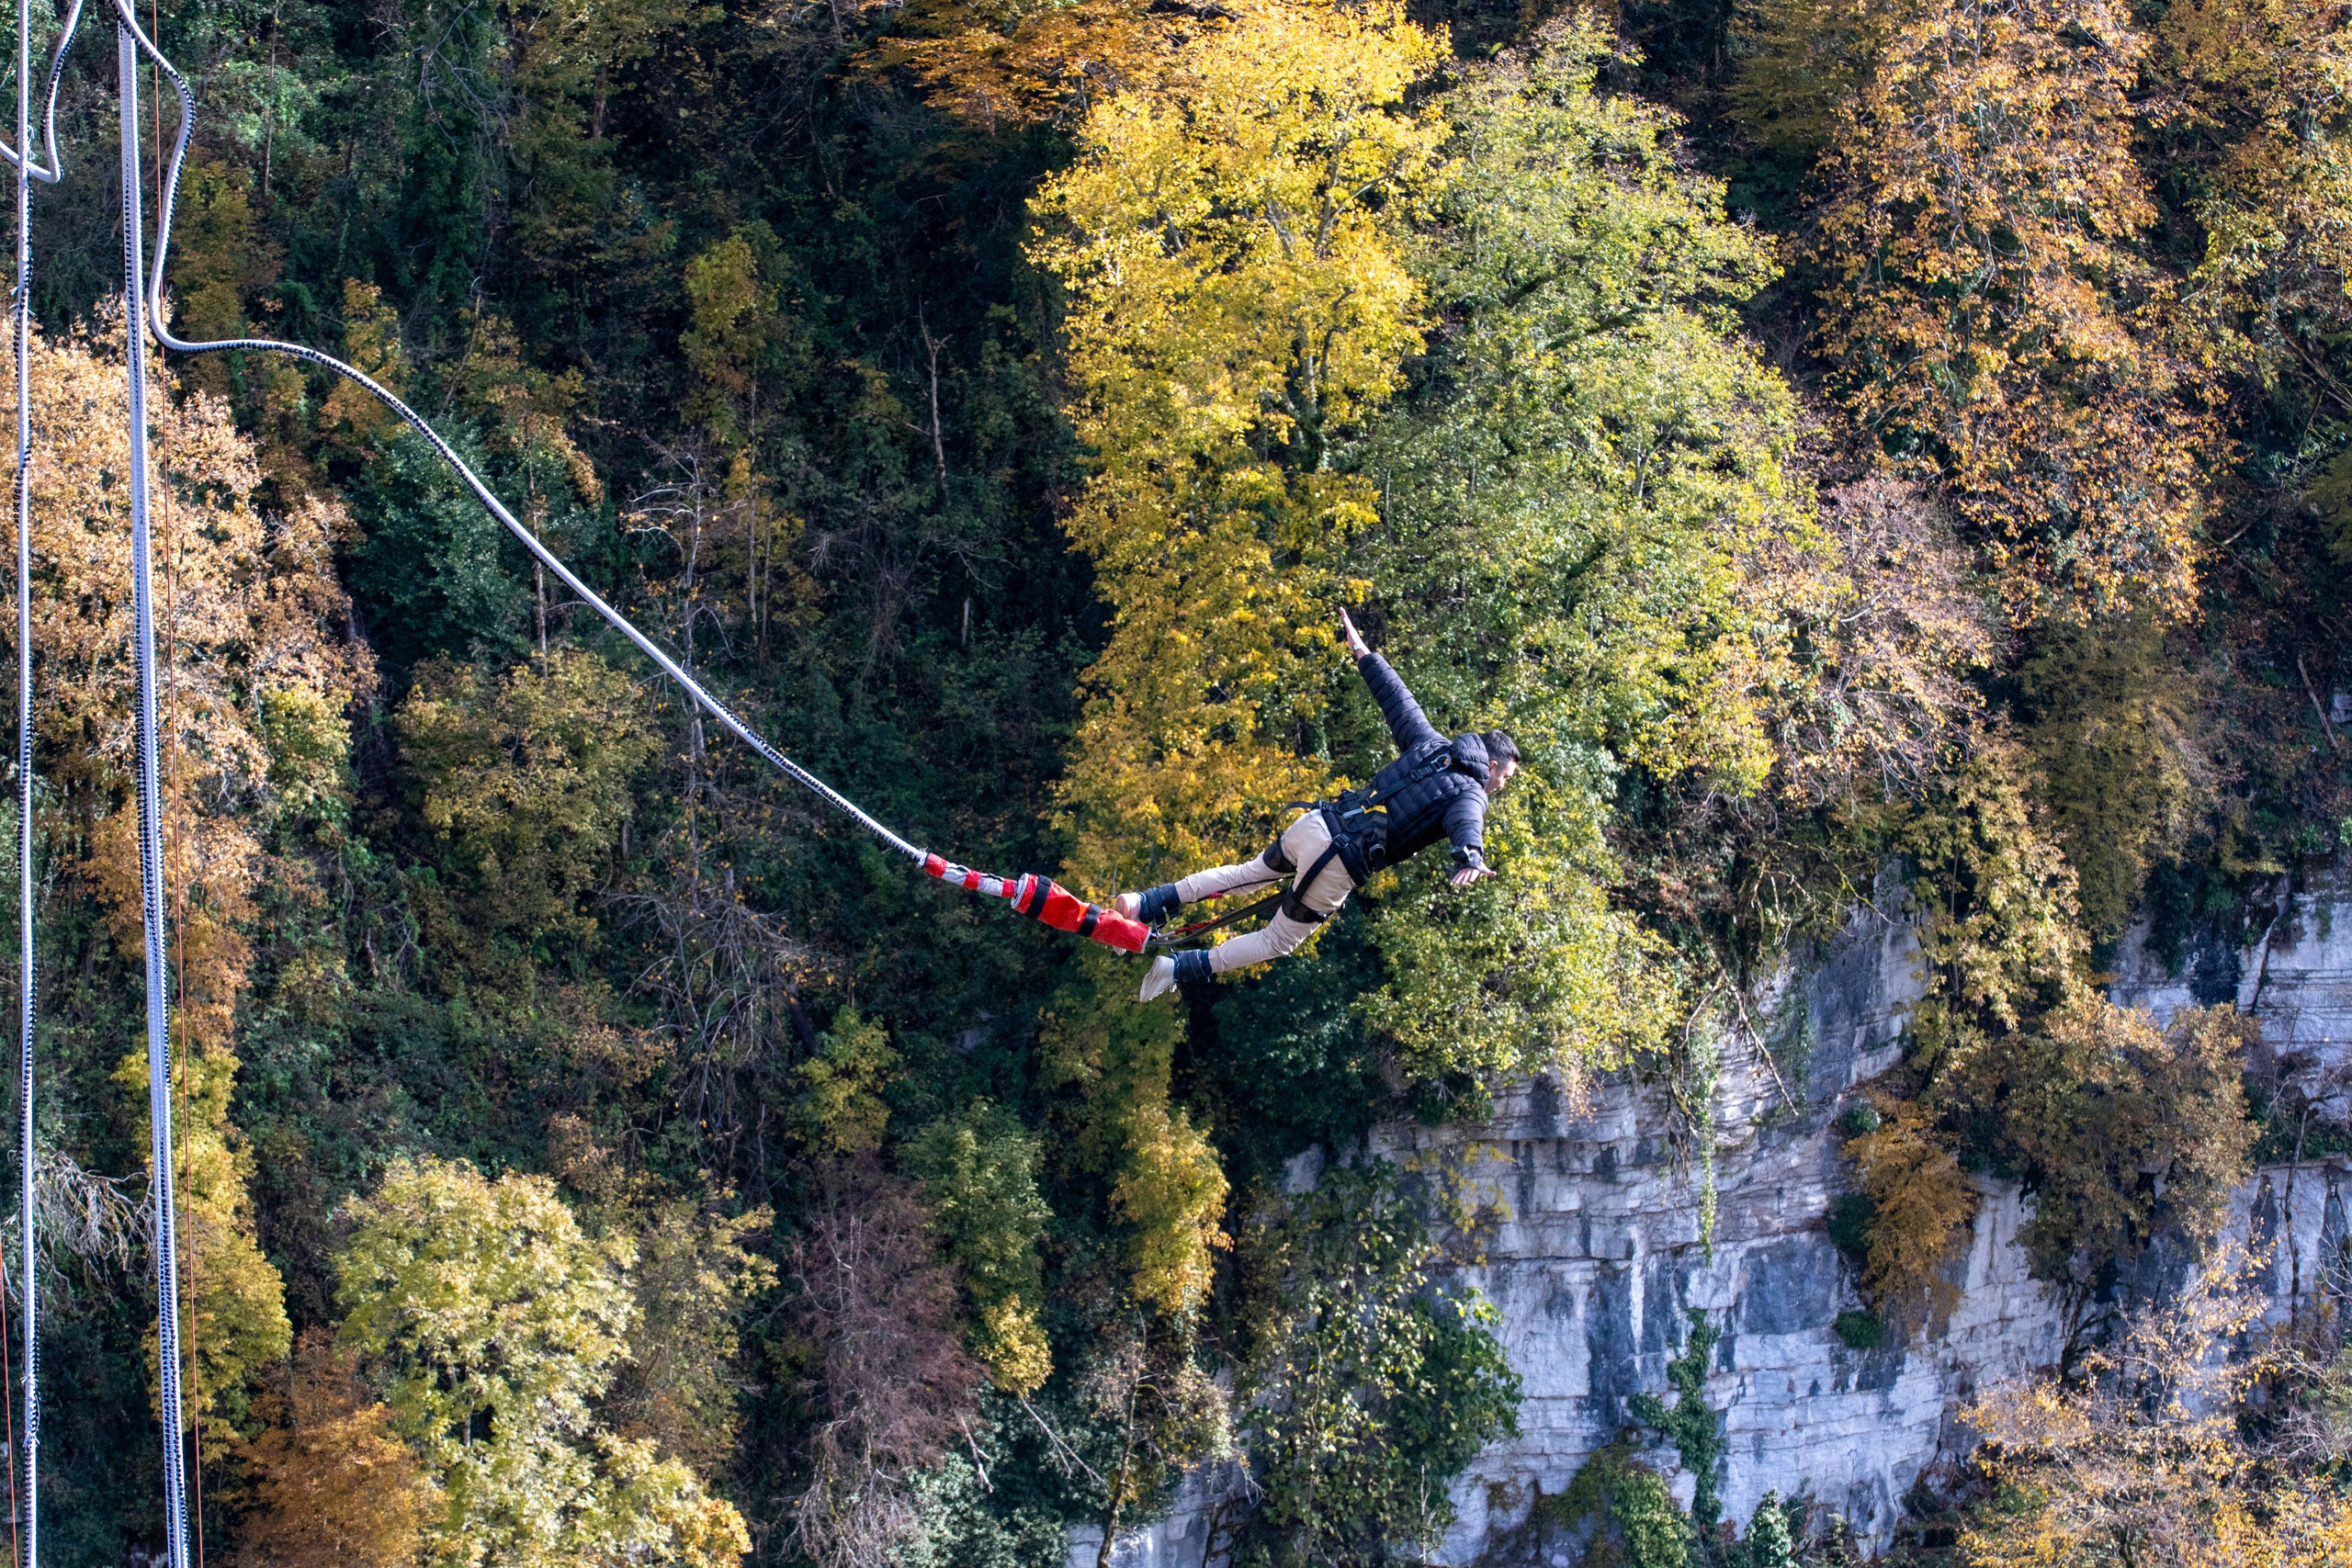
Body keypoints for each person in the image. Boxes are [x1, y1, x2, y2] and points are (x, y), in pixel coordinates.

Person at [1124, 607, 1519, 1001]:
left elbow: (1397, 699)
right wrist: (1470, 854)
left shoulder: (1431, 745)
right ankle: (1177, 966)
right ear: (1493, 764)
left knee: (1244, 875)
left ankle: (1146, 902)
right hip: (1337, 862)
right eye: (1504, 778)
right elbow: (1469, 821)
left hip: (1318, 823)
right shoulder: (1472, 791)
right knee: (1276, 941)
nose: (1500, 786)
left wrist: (1365, 654)